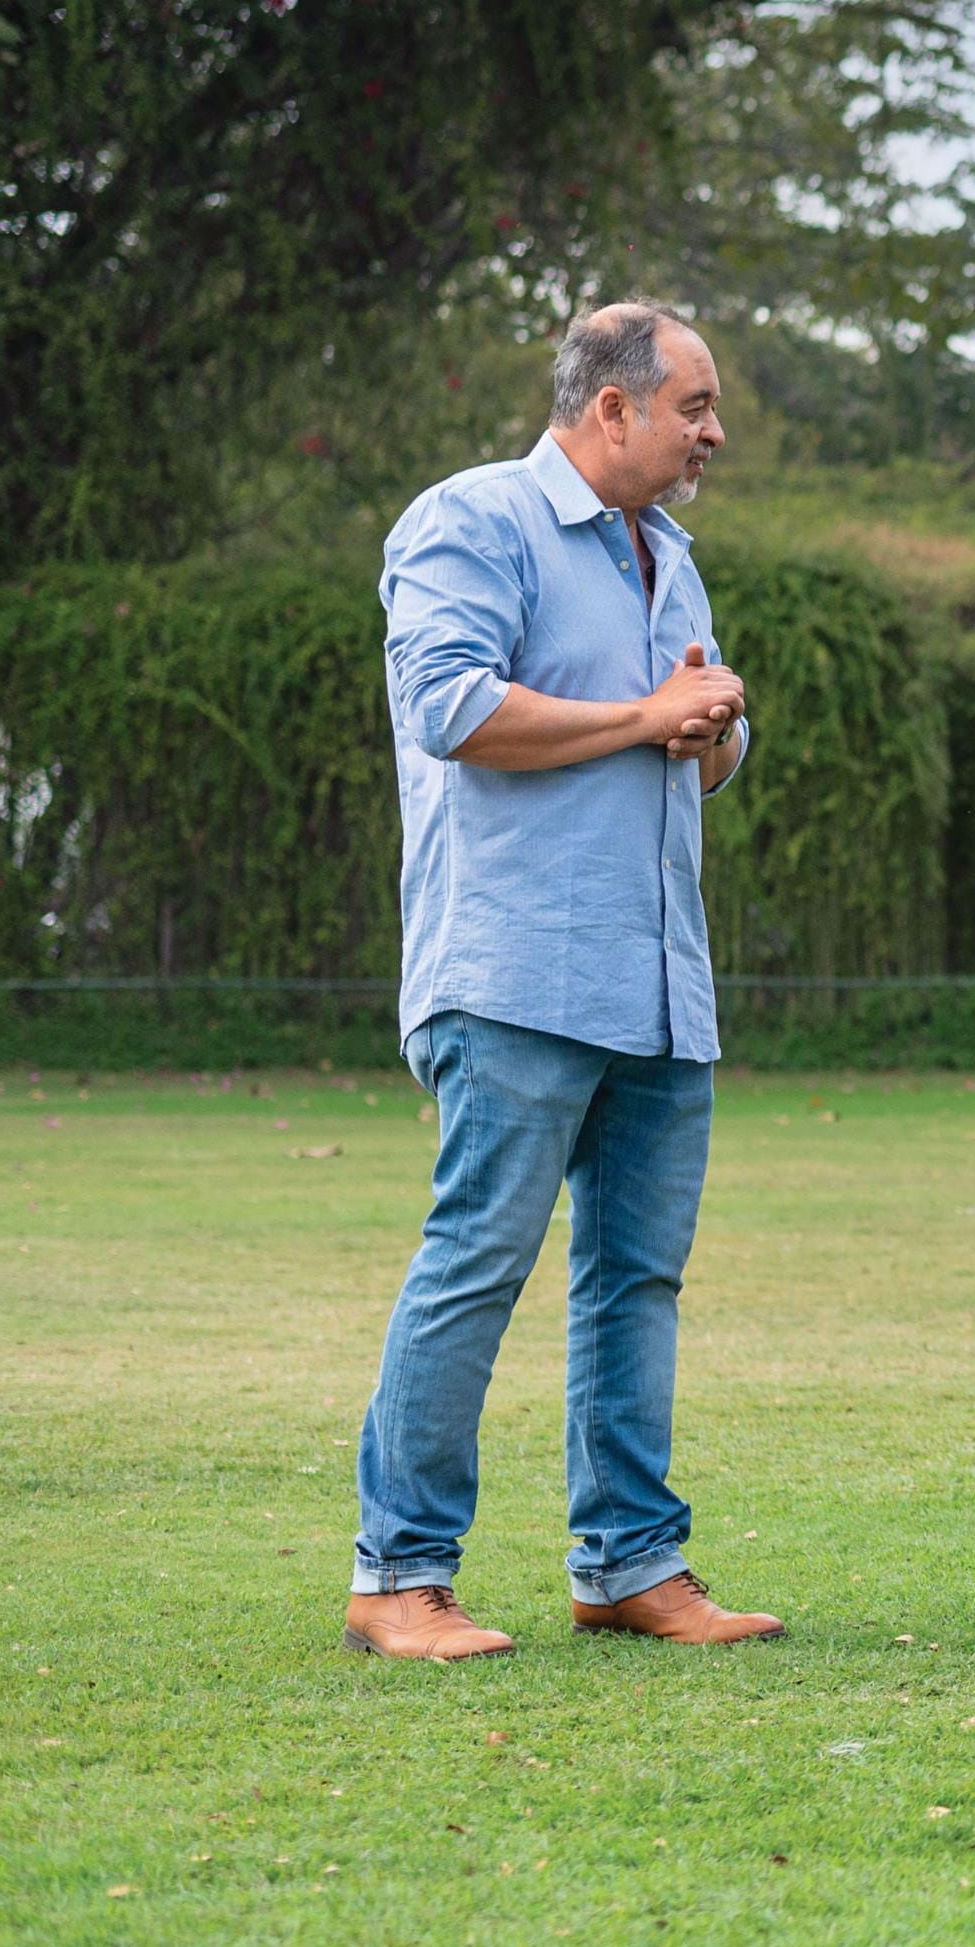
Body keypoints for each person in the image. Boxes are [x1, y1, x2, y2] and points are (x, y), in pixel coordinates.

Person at [344, 300, 784, 1661]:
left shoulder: (674, 556)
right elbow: (455, 709)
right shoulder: (471, 521)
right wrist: (650, 714)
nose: (713, 434)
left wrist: (709, 731)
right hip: (517, 970)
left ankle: (628, 1565)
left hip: (659, 981)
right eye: (694, 408)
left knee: (636, 1283)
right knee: (476, 1265)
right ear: (613, 408)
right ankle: (398, 1576)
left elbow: (701, 740)